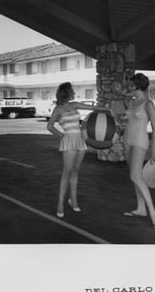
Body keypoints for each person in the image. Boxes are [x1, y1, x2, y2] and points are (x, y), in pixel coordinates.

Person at [47, 82, 113, 218]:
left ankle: (73, 199)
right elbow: (50, 126)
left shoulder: (75, 104)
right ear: (66, 93)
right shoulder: (58, 109)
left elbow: (92, 107)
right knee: (67, 172)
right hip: (69, 140)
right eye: (72, 91)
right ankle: (60, 203)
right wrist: (62, 135)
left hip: (80, 140)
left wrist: (108, 110)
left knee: (75, 171)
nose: (74, 93)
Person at [122, 73, 155, 231]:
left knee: (135, 176)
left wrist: (154, 149)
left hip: (140, 141)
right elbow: (130, 118)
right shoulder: (132, 101)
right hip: (127, 140)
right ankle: (140, 208)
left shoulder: (148, 104)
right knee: (135, 176)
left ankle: (153, 213)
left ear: (138, 86)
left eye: (131, 85)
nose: (128, 88)